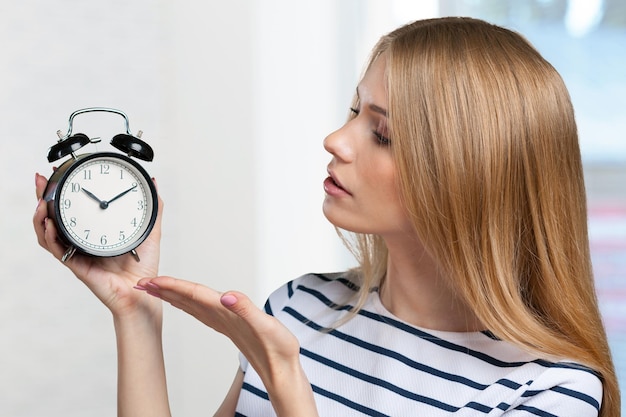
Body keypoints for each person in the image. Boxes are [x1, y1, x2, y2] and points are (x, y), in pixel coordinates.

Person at [33, 16, 619, 417]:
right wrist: (134, 308)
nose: (336, 139)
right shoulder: (299, 310)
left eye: (382, 133)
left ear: (470, 175)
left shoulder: (548, 393)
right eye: (353, 110)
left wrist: (289, 387)